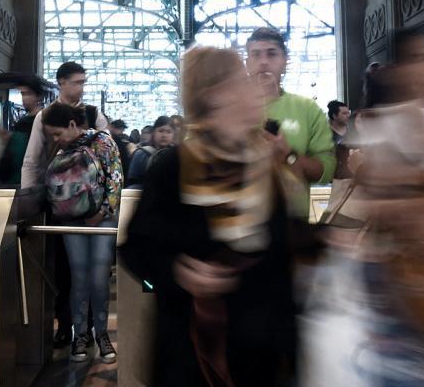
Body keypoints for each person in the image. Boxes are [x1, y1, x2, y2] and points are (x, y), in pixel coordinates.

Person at [120, 46, 298, 386]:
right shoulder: (173, 167)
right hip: (192, 350)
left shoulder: (265, 167)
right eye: (241, 80)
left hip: (260, 351)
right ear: (216, 96)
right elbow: (138, 248)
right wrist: (179, 271)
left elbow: (280, 256)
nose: (253, 87)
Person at [19, 61, 110, 349]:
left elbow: (111, 155)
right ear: (61, 82)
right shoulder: (44, 116)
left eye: (83, 82)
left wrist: (106, 206)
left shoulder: (93, 114)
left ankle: (91, 326)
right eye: (77, 82)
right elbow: (32, 160)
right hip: (59, 202)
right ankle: (65, 322)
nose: (81, 87)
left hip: (92, 203)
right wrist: (29, 201)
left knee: (93, 269)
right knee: (62, 266)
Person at [41, 102, 123, 364]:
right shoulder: (62, 149)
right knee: (78, 278)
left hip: (103, 219)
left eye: (57, 133)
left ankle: (102, 334)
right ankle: (81, 335)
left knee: (98, 278)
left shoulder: (103, 142)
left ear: (72, 124)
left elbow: (115, 180)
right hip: (72, 220)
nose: (56, 139)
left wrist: (103, 212)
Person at [245, 28, 336, 216]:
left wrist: (288, 154)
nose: (263, 61)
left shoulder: (308, 109)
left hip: (296, 218)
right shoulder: (229, 108)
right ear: (247, 63)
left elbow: (326, 172)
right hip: (243, 218)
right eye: (256, 55)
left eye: (272, 54)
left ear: (285, 62)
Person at [0, 80, 45, 187]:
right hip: (14, 182)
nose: (24, 98)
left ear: (38, 96)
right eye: (22, 94)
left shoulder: (44, 120)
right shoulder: (21, 123)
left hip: (34, 183)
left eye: (28, 94)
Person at [128, 115, 175, 186]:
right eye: (161, 131)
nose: (164, 135)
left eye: (169, 132)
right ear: (154, 132)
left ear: (173, 134)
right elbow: (133, 181)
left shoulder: (177, 155)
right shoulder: (141, 154)